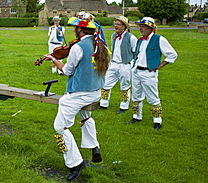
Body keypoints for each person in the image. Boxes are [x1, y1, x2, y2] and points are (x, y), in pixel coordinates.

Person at [43, 14, 110, 182]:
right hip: (96, 92)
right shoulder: (100, 44)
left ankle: (75, 163)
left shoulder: (78, 47)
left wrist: (54, 59)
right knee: (85, 117)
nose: (74, 30)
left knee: (59, 128)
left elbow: (67, 71)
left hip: (78, 94)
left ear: (80, 29)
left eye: (75, 27)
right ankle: (94, 147)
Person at [126, 17, 177, 130]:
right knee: (136, 96)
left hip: (149, 72)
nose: (140, 28)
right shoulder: (140, 40)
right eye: (140, 26)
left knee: (153, 97)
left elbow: (172, 54)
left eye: (143, 26)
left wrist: (159, 66)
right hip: (136, 72)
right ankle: (136, 117)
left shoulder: (159, 39)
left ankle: (157, 121)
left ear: (150, 28)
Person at [100, 16, 137, 113]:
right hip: (113, 64)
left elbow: (136, 51)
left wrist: (131, 62)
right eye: (115, 24)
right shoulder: (113, 36)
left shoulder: (131, 37)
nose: (115, 26)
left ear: (124, 26)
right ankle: (103, 104)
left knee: (124, 86)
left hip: (125, 65)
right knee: (105, 84)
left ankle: (123, 107)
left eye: (118, 24)